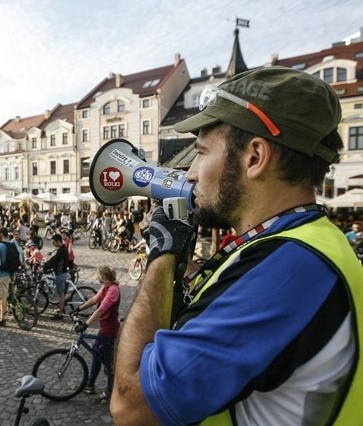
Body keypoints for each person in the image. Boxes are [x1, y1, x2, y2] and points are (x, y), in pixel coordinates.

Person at [110, 67, 363, 425]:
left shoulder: (289, 268)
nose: (191, 173)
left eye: (200, 152)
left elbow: (131, 405)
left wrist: (161, 256)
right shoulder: (304, 243)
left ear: (255, 157)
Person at [75, 265, 121, 404]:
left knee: (109, 363)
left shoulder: (113, 290)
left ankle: (109, 393)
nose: (96, 278)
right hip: (104, 329)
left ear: (103, 277)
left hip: (110, 331)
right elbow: (94, 300)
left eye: (98, 275)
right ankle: (90, 385)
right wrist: (78, 309)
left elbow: (101, 309)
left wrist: (86, 324)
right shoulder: (106, 287)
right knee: (96, 354)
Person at [42, 234, 69, 321]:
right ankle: (62, 308)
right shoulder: (62, 249)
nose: (53, 244)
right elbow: (54, 258)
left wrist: (45, 267)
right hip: (63, 273)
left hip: (60, 274)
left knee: (61, 295)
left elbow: (55, 261)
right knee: (63, 294)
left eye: (54, 242)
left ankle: (60, 314)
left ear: (58, 241)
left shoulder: (61, 251)